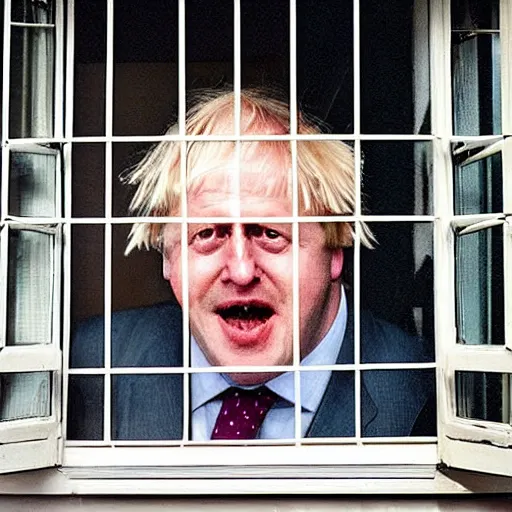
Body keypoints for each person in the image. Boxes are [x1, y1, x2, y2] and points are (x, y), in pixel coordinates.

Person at [68, 89, 435, 441]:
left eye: (271, 234)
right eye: (209, 233)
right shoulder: (85, 365)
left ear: (335, 251)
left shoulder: (428, 391)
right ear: (169, 257)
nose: (241, 271)